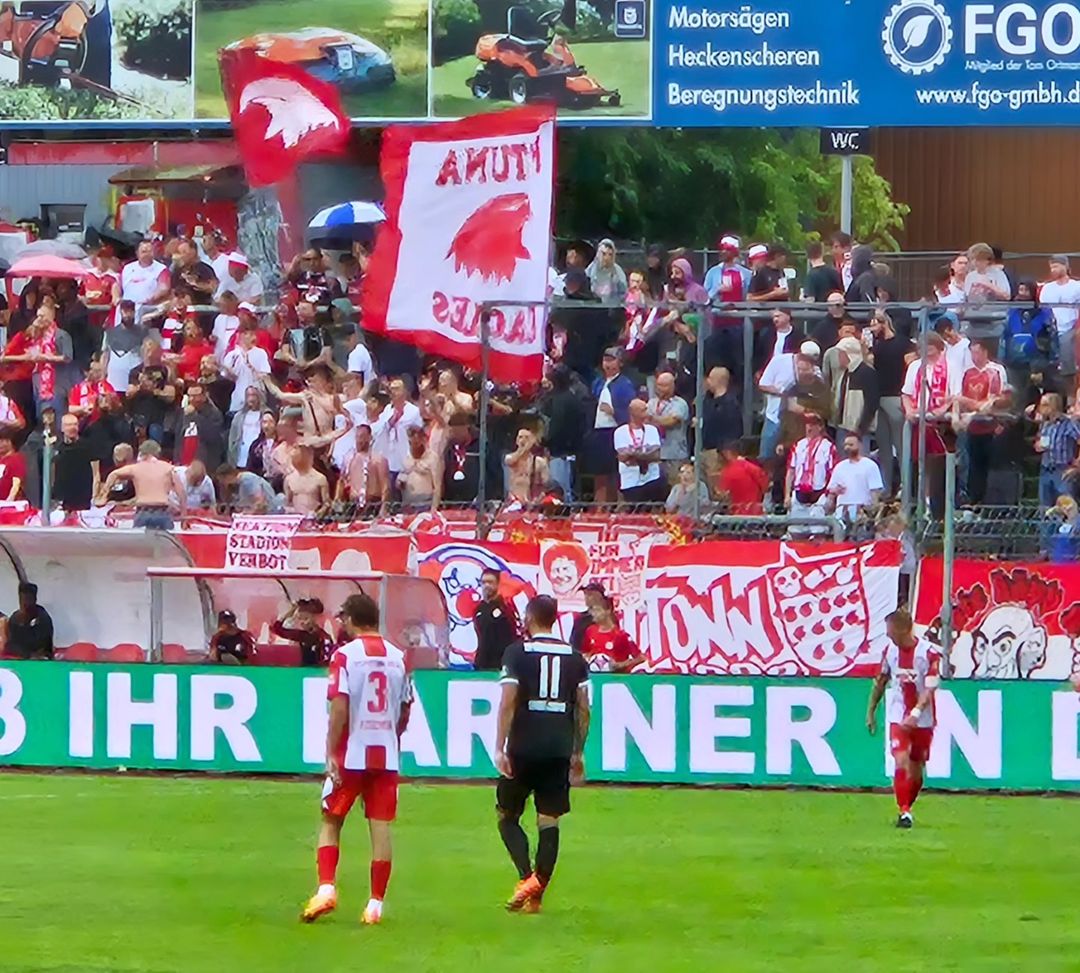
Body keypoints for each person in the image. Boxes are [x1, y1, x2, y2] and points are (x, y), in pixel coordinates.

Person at [301, 592, 412, 926]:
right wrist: (394, 737)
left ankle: (326, 888)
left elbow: (339, 706)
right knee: (380, 828)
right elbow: (406, 707)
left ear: (350, 619)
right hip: (385, 754)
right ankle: (375, 904)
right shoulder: (399, 657)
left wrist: (331, 751)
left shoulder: (345, 656)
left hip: (352, 751)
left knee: (331, 819)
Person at [494, 595, 591, 913]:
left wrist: (500, 746)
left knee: (507, 816)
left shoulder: (517, 652)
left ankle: (526, 877)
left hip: (523, 743)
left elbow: (508, 701)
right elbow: (584, 709)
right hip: (559, 746)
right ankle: (537, 892)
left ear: (529, 617)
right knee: (549, 821)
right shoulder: (576, 658)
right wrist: (578, 751)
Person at [865, 608, 941, 829]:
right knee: (901, 760)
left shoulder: (929, 654)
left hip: (923, 719)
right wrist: (871, 711)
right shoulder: (889, 652)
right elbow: (881, 681)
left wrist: (916, 713)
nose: (888, 635)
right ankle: (904, 811)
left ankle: (908, 805)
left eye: (891, 631)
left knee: (917, 769)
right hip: (897, 715)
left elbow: (929, 689)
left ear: (905, 629)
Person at [868, 310, 915, 496]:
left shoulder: (898, 345)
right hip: (887, 398)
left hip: (891, 398)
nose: (872, 328)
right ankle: (892, 489)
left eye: (875, 323)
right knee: (891, 446)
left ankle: (899, 488)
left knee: (895, 446)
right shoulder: (884, 346)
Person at [585, 347, 635, 504]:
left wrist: (614, 411)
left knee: (616, 471)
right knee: (599, 472)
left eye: (611, 360)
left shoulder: (625, 384)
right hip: (598, 432)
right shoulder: (598, 383)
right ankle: (600, 505)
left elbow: (631, 409)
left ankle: (617, 503)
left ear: (619, 363)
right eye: (605, 360)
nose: (607, 364)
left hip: (615, 431)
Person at [101, 439, 186, 530]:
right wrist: (184, 517)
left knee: (140, 544)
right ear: (157, 453)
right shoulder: (168, 468)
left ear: (142, 453)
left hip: (143, 512)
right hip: (162, 512)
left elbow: (113, 474)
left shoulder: (136, 468)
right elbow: (181, 493)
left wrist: (104, 495)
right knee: (166, 543)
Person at [785, 413, 837, 520]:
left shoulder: (828, 447)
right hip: (799, 493)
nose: (809, 427)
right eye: (807, 424)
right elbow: (791, 471)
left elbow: (834, 474)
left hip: (819, 493)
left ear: (820, 427)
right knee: (796, 529)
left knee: (818, 530)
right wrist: (787, 495)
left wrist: (831, 497)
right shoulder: (798, 446)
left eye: (813, 424)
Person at [613, 398, 664, 504]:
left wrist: (633, 454)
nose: (647, 413)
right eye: (643, 410)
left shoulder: (652, 430)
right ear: (632, 412)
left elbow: (656, 456)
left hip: (652, 478)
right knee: (634, 512)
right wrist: (645, 454)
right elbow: (623, 458)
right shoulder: (620, 432)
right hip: (630, 481)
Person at [1034, 393, 1080, 507]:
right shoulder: (1045, 424)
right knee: (1045, 508)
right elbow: (1039, 440)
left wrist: (1076, 466)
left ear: (1053, 406)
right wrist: (1038, 445)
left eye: (1044, 405)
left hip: (1062, 469)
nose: (1041, 408)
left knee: (1066, 506)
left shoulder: (1069, 424)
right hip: (1046, 468)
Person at [580, 593, 644, 673]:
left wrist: (620, 665)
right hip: (595, 677)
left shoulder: (620, 635)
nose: (593, 614)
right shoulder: (590, 631)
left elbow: (640, 658)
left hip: (615, 679)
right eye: (592, 610)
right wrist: (588, 659)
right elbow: (585, 652)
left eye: (597, 610)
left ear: (608, 611)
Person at [826, 433, 884, 523]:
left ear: (860, 445)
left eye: (851, 445)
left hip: (862, 512)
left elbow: (875, 493)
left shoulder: (870, 465)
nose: (847, 448)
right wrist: (834, 493)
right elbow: (831, 493)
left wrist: (872, 514)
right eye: (846, 445)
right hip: (841, 512)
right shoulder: (839, 467)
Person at [646, 370, 690, 483]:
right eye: (658, 385)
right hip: (653, 455)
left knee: (675, 485)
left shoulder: (680, 404)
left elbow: (670, 421)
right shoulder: (651, 403)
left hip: (674, 454)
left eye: (664, 385)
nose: (660, 388)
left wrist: (651, 418)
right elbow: (643, 421)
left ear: (672, 386)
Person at [473, 568, 520, 672]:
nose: (486, 585)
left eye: (490, 582)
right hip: (481, 665)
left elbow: (512, 637)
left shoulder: (505, 609)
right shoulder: (478, 609)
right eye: (484, 582)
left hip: (499, 666)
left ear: (498, 584)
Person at [52, 412, 99, 512]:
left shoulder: (88, 446)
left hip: (83, 498)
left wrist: (94, 496)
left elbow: (96, 473)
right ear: (62, 428)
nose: (72, 427)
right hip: (62, 500)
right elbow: (51, 474)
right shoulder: (56, 448)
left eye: (75, 424)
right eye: (68, 425)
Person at [272, 597, 334, 667]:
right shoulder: (303, 635)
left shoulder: (324, 638)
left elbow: (327, 664)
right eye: (299, 618)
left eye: (305, 618)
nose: (302, 622)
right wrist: (290, 612)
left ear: (315, 618)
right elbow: (277, 629)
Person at [715, 441, 770, 514]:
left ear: (727, 453)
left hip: (735, 514)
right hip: (755, 512)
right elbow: (766, 486)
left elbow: (723, 495)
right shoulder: (751, 467)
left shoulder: (726, 472)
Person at [5, 583, 53, 660]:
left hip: (40, 659)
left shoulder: (43, 618)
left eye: (29, 599)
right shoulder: (15, 618)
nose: (25, 603)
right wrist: (26, 655)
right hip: (20, 658)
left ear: (35, 600)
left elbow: (45, 644)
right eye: (23, 600)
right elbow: (11, 644)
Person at [505, 427, 548, 504]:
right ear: (517, 441)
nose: (523, 440)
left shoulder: (539, 462)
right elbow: (511, 461)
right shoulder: (510, 458)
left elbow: (546, 486)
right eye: (520, 437)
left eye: (527, 437)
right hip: (514, 502)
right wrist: (523, 449)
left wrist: (538, 500)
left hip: (533, 502)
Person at [284, 443, 330, 516]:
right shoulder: (289, 479)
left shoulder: (320, 478)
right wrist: (290, 511)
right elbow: (288, 503)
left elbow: (327, 504)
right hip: (296, 519)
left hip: (314, 519)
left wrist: (317, 514)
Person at [0, 432, 26, 501]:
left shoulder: (16, 459)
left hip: (7, 503)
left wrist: (8, 502)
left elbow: (16, 484)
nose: (1, 444)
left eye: (3, 441)